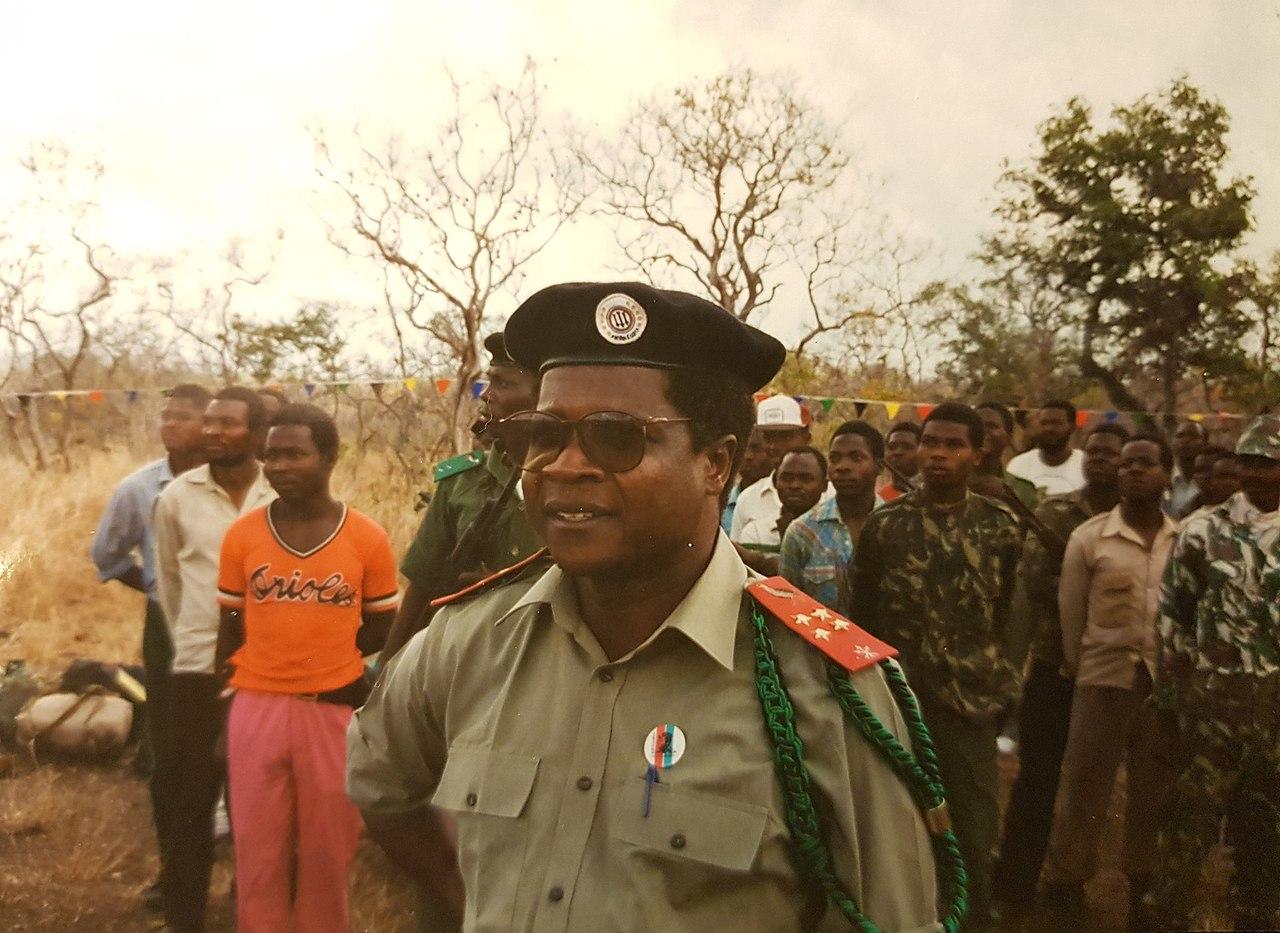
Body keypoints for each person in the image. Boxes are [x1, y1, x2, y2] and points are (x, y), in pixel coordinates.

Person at [348, 283, 955, 932]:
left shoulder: (827, 689)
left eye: (617, 437)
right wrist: (467, 899)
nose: (566, 465)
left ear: (716, 462)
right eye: (546, 434)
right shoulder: (468, 639)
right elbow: (381, 784)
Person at [215, 404, 399, 933]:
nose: (279, 465)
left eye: (295, 453)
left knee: (327, 854)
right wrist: (227, 706)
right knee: (258, 855)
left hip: (330, 712)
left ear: (329, 457)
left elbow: (381, 630)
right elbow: (230, 624)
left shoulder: (366, 538)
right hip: (255, 708)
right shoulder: (243, 536)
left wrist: (330, 659)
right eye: (270, 454)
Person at [849, 402, 1022, 927]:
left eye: (953, 445)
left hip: (969, 708)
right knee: (895, 833)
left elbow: (1011, 617)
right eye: (930, 443)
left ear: (977, 452)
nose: (938, 455)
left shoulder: (1001, 528)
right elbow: (861, 617)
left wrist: (998, 691)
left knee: (970, 834)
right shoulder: (885, 527)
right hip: (899, 705)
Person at [1147, 415, 1280, 930]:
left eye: (1269, 464)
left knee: (1266, 830)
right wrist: (1173, 698)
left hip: (1274, 710)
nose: (1258, 474)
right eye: (1249, 463)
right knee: (1187, 824)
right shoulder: (1203, 528)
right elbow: (1173, 615)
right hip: (1210, 706)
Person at [1040, 435, 1178, 926]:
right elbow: (1071, 613)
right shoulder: (1090, 537)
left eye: (1147, 464)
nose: (1134, 472)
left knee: (1153, 790)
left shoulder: (1183, 539)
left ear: (1168, 474)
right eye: (1127, 464)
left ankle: (1143, 885)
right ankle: (1066, 882)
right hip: (1101, 677)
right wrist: (1083, 666)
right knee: (1084, 786)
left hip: (1162, 685)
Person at [153, 386, 277, 932]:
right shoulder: (177, 497)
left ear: (256, 435)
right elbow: (171, 587)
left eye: (227, 423)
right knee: (189, 801)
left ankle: (260, 913)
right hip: (197, 671)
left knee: (259, 802)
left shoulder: (284, 491)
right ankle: (184, 918)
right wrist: (194, 645)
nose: (212, 432)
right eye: (208, 422)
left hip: (269, 673)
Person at [992, 422, 1128, 912]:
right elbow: (1033, 586)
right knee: (1036, 780)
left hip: (1115, 672)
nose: (1101, 461)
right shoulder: (1056, 512)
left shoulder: (1140, 520)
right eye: (1094, 452)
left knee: (1095, 788)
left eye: (1113, 454)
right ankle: (1013, 887)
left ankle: (1068, 887)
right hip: (1056, 666)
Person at [90, 382, 210, 911]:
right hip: (169, 633)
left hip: (240, 628)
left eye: (184, 416)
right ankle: (176, 875)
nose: (170, 424)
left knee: (234, 752)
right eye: (167, 416)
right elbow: (108, 556)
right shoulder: (139, 489)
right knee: (173, 758)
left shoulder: (245, 484)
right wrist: (160, 589)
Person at [376, 333, 543, 666]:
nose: (488, 396)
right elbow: (422, 586)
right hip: (463, 658)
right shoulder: (461, 482)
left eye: (505, 384)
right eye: (489, 382)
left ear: (544, 399)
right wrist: (384, 667)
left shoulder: (580, 484)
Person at [780, 420, 883, 612]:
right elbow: (787, 609)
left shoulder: (898, 527)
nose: (842, 467)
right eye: (835, 458)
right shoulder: (803, 532)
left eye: (856, 458)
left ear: (879, 466)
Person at [728, 394, 815, 551]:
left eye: (784, 436)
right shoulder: (747, 499)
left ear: (805, 438)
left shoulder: (830, 496)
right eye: (769, 437)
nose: (774, 446)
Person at [1006, 401, 1085, 497]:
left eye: (1056, 423)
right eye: (1044, 423)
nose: (1049, 428)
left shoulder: (1086, 465)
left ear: (1072, 427)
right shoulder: (1018, 465)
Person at [972, 401, 1038, 508]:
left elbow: (1032, 523)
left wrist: (1007, 497)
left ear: (1008, 435)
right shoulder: (948, 481)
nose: (983, 431)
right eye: (977, 425)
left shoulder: (1024, 490)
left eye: (992, 426)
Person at [720, 426, 772, 534]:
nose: (748, 456)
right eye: (743, 449)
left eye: (756, 449)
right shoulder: (721, 503)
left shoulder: (782, 502)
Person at [772, 446, 827, 540]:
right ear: (774, 482)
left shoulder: (836, 531)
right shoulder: (756, 531)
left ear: (824, 485)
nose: (794, 486)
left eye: (806, 479)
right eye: (787, 478)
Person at [1164, 419, 1207, 518]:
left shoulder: (1211, 481)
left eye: (1193, 436)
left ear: (1205, 443)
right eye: (1180, 436)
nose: (1186, 440)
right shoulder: (1163, 479)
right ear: (1172, 443)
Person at [1183, 445, 1239, 516]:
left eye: (1207, 470)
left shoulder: (1245, 506)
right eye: (1198, 471)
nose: (1203, 476)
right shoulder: (1189, 510)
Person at [878, 421, 921, 502]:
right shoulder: (880, 498)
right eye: (892, 447)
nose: (897, 452)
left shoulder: (931, 493)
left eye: (907, 447)